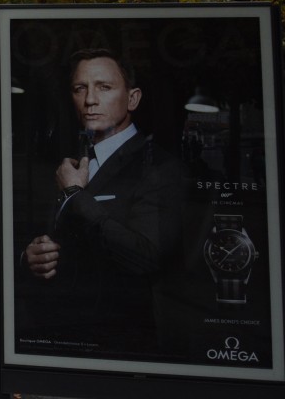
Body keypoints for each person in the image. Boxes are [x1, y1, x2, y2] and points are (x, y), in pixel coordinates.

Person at [19, 48, 187, 358]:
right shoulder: (71, 163)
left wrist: (75, 196)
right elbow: (45, 240)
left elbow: (145, 257)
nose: (90, 100)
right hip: (58, 336)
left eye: (104, 87)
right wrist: (30, 257)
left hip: (121, 344)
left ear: (133, 98)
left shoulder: (159, 168)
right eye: (80, 88)